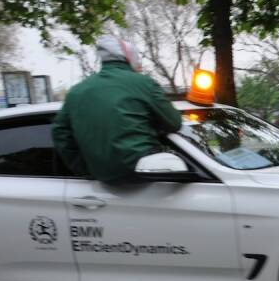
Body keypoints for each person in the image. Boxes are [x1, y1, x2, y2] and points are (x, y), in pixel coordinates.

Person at [52, 34, 183, 182]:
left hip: (100, 175)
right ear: (129, 58)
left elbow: (59, 132)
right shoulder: (143, 83)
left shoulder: (76, 92)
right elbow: (174, 123)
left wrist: (83, 167)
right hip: (143, 171)